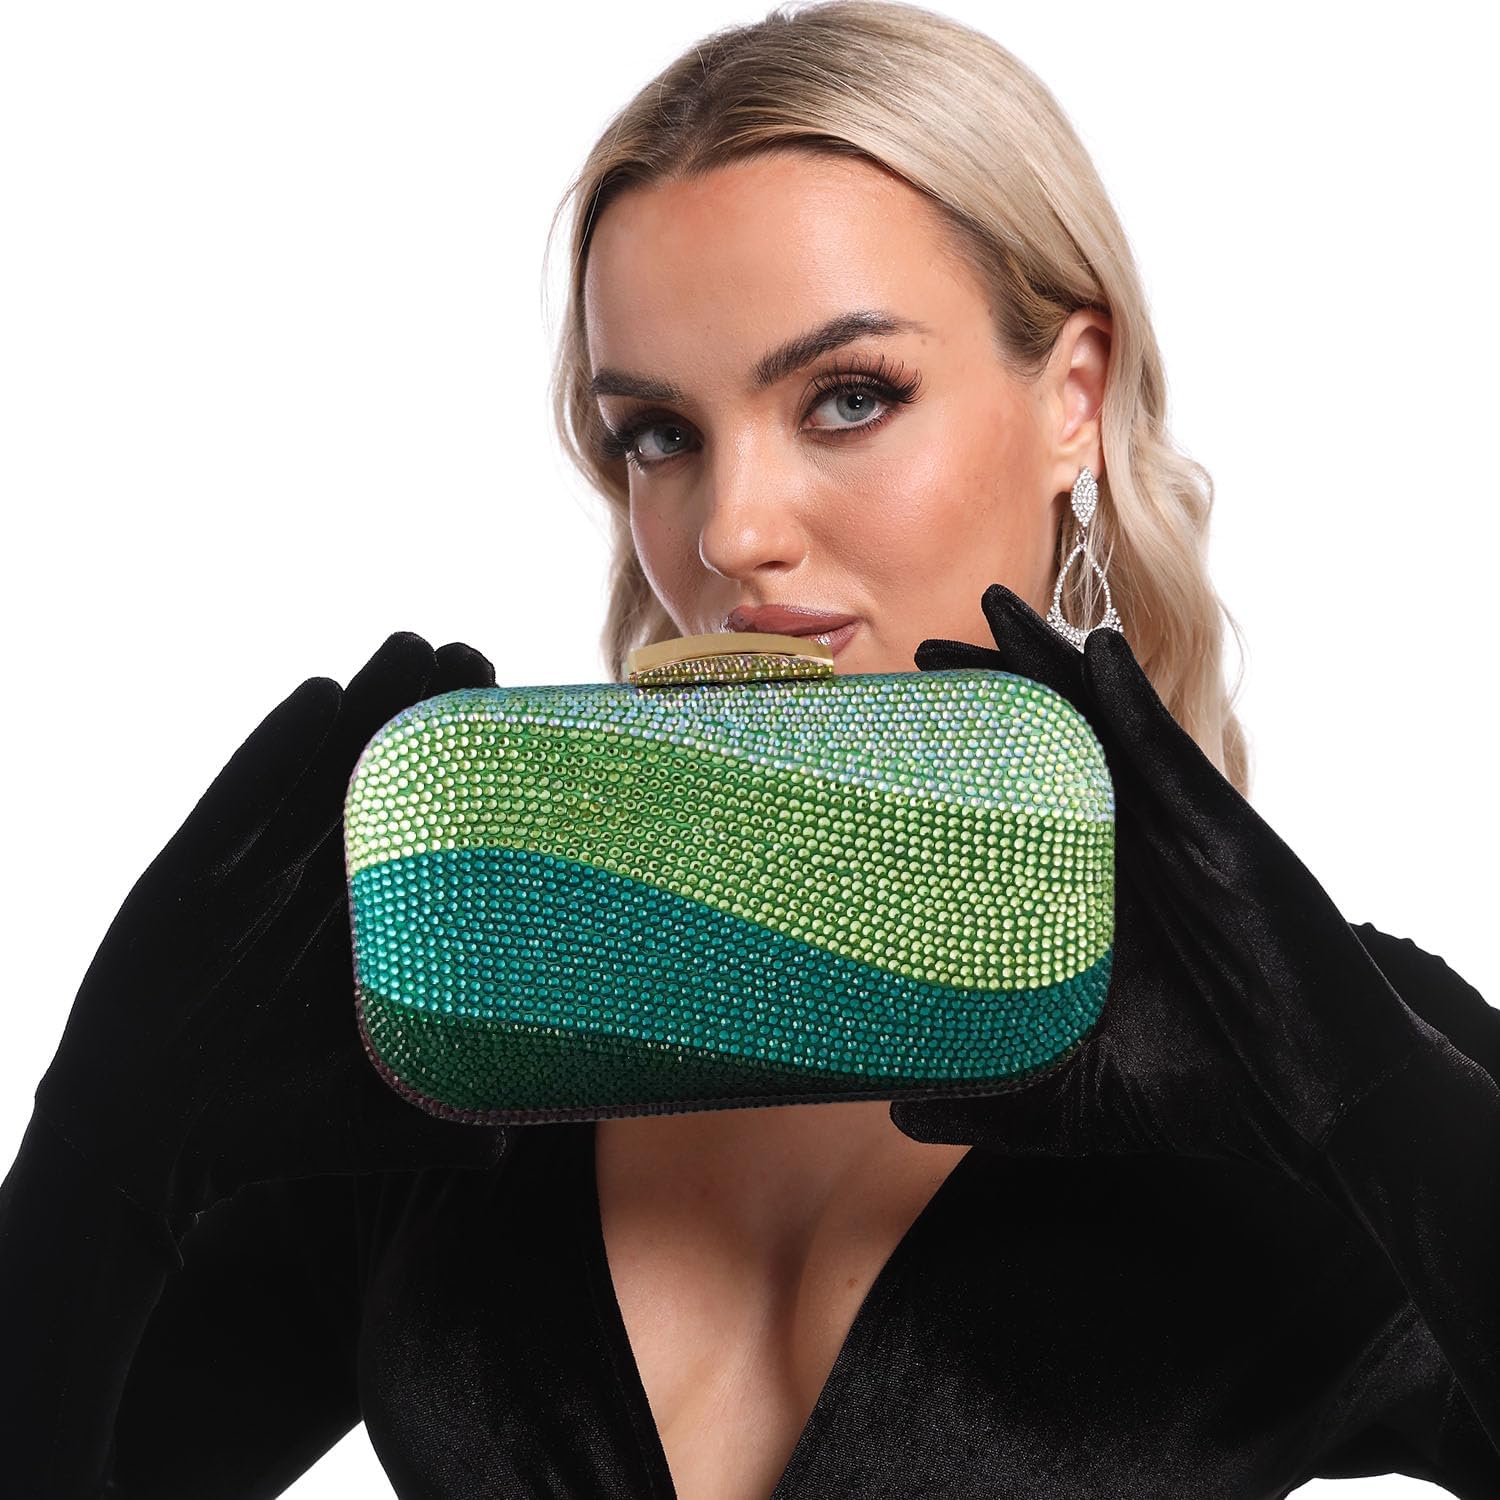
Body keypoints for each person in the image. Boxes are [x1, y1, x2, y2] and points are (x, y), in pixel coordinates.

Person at [2, 2, 1496, 1496]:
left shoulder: (1315, 1047)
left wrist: (1366, 1105)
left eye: (849, 398)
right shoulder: (479, 1049)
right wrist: (99, 1165)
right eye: (660, 433)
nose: (729, 531)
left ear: (1074, 400)